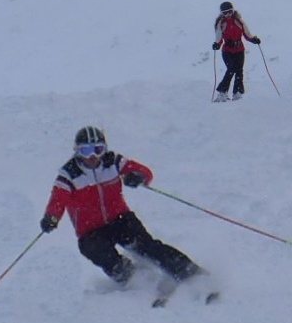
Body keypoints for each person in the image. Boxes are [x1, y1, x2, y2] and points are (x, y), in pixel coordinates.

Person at [39, 125, 206, 300]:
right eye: (86, 151)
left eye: (98, 149)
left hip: (119, 220)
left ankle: (192, 274)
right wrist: (52, 217)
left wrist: (138, 176)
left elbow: (145, 172)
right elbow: (58, 199)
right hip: (91, 231)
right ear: (77, 151)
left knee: (146, 246)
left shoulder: (113, 162)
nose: (93, 156)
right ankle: (137, 280)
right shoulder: (69, 174)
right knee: (97, 251)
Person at [212, 1, 260, 101]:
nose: (228, 14)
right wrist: (217, 44)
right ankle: (222, 92)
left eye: (230, 11)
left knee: (239, 70)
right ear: (222, 13)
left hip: (239, 50)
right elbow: (219, 37)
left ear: (233, 11)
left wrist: (253, 39)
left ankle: (237, 93)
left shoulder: (239, 21)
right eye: (225, 12)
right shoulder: (221, 23)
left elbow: (247, 34)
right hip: (227, 51)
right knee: (231, 69)